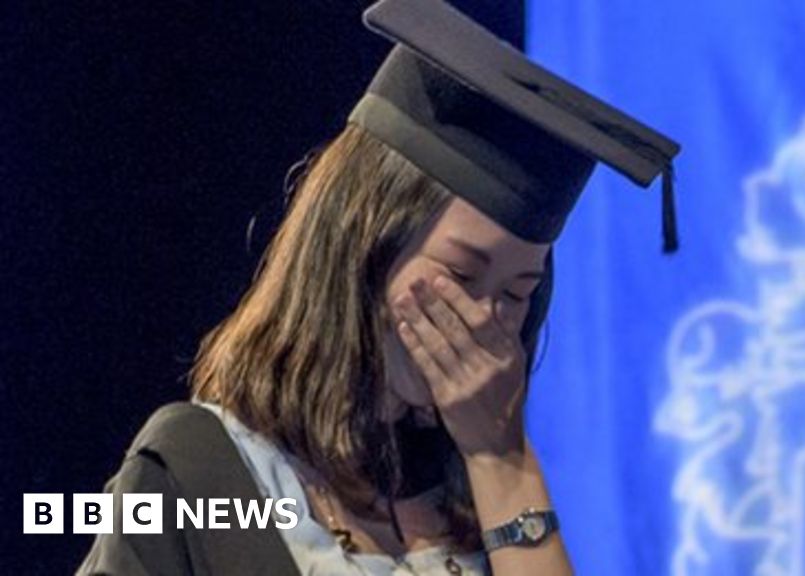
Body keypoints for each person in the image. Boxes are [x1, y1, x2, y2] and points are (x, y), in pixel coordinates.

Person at [76, 0, 679, 574]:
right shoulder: (204, 469)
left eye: (516, 293)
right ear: (363, 249)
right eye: (463, 275)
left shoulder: (477, 497)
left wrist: (501, 460)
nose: (485, 319)